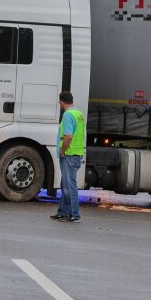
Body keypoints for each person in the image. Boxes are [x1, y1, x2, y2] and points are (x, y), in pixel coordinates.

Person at [51, 91, 85, 223]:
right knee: (65, 184)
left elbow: (68, 136)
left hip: (69, 154)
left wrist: (62, 151)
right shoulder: (79, 114)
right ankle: (63, 212)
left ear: (61, 102)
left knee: (69, 186)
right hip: (76, 153)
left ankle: (75, 214)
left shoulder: (67, 115)